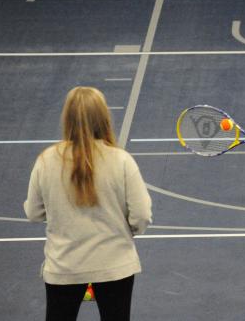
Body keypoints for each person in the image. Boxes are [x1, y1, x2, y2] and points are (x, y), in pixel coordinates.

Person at [24, 87, 152, 321]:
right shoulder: (122, 160)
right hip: (115, 266)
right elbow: (142, 215)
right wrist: (124, 232)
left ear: (67, 118)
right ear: (104, 117)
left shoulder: (46, 160)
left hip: (64, 266)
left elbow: (33, 212)